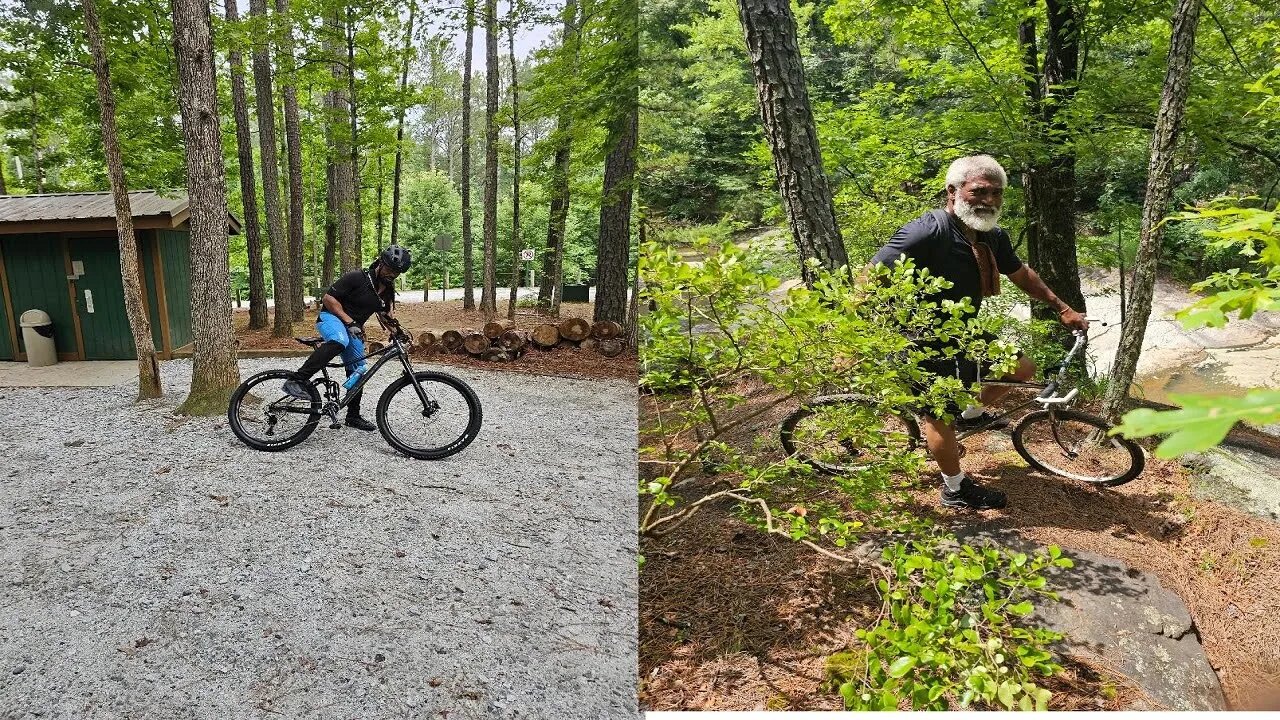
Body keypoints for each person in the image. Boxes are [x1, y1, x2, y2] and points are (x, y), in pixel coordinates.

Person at [871, 155, 1088, 510]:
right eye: (979, 191)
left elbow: (1020, 274)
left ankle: (969, 415)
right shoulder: (927, 231)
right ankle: (954, 489)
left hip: (963, 331)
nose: (989, 200)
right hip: (919, 339)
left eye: (996, 193)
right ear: (953, 191)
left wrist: (1062, 307)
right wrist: (872, 330)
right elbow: (872, 276)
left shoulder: (991, 236)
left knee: (1021, 369)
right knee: (937, 415)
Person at [282, 245, 412, 431]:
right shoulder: (357, 278)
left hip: (353, 328)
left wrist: (398, 331)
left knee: (359, 369)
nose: (392, 274)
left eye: (397, 272)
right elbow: (328, 299)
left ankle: (353, 416)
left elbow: (386, 316)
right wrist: (350, 321)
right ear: (381, 263)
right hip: (330, 319)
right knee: (339, 341)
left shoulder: (387, 290)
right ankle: (297, 380)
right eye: (390, 269)